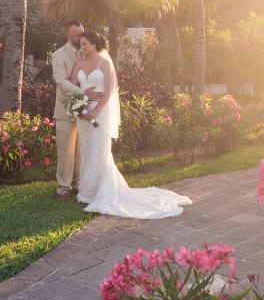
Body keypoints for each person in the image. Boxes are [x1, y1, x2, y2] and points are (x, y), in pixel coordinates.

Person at [69, 30, 192, 219]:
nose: (82, 47)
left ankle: (101, 192)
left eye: (85, 44)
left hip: (99, 114)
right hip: (82, 114)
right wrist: (82, 104)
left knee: (99, 151)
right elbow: (72, 88)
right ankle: (87, 192)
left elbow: (108, 92)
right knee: (86, 151)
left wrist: (94, 111)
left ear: (94, 44)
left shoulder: (105, 63)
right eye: (81, 44)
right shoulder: (79, 63)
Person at [50, 20, 102, 200]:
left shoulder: (88, 52)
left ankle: (77, 184)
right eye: (76, 36)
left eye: (82, 34)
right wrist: (83, 92)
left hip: (85, 109)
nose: (81, 38)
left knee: (80, 149)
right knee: (66, 151)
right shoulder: (58, 55)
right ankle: (63, 187)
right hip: (65, 108)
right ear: (68, 35)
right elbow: (62, 82)